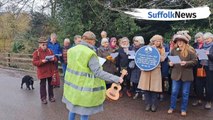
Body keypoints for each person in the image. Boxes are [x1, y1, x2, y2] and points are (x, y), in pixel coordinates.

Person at [62, 31, 124, 120]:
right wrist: (116, 78)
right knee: (84, 113)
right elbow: (98, 72)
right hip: (84, 88)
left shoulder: (71, 50)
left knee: (73, 109)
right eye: (94, 41)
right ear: (89, 41)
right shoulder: (90, 53)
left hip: (72, 87)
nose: (95, 42)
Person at [167, 31, 198, 116]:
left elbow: (195, 61)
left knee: (185, 93)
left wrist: (186, 63)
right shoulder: (174, 50)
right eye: (177, 41)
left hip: (186, 75)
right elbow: (169, 60)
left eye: (181, 41)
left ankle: (183, 109)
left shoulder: (191, 50)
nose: (179, 42)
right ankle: (172, 107)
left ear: (185, 42)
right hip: (176, 74)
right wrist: (170, 63)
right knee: (174, 92)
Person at [138, 35, 166, 112]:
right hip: (146, 69)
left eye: (158, 41)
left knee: (154, 89)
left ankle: (154, 104)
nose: (157, 42)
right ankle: (147, 104)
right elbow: (141, 57)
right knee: (146, 88)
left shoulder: (162, 49)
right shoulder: (147, 47)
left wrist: (156, 53)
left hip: (156, 70)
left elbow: (163, 59)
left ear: (161, 42)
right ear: (153, 41)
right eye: (155, 41)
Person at [32, 37, 57, 104]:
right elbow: (34, 62)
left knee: (50, 85)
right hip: (42, 72)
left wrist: (53, 59)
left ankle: (51, 97)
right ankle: (43, 98)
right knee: (42, 85)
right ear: (39, 45)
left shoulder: (49, 51)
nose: (45, 46)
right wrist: (42, 61)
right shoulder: (36, 52)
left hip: (49, 71)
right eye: (43, 44)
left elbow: (55, 58)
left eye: (46, 44)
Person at [192, 32, 205, 106]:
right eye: (197, 38)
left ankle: (204, 98)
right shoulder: (194, 45)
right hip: (195, 65)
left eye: (199, 37)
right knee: (197, 83)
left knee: (204, 83)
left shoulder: (206, 45)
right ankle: (198, 98)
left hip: (204, 65)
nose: (198, 39)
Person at [202, 32, 213, 109]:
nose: (206, 40)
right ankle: (201, 99)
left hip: (210, 68)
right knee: (202, 84)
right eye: (205, 39)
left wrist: (208, 54)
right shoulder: (203, 46)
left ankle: (209, 101)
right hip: (202, 67)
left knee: (209, 85)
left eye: (208, 38)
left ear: (211, 38)